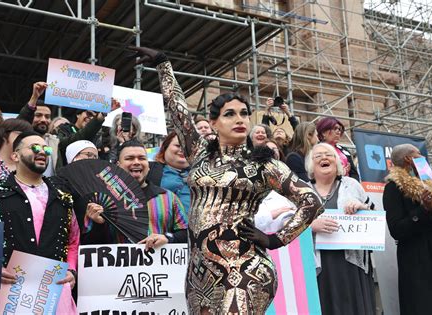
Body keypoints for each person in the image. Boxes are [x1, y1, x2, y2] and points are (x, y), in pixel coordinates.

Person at [132, 46, 322, 314]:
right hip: (199, 276)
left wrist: (275, 239)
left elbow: (311, 201)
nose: (240, 119)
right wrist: (164, 65)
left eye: (244, 113)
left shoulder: (264, 163)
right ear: (214, 122)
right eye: (230, 114)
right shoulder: (198, 153)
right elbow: (177, 111)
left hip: (246, 271)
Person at [0, 131, 79, 313]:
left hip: (53, 294)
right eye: (34, 147)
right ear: (15, 155)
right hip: (6, 294)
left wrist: (71, 270)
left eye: (46, 148)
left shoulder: (63, 198)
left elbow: (73, 240)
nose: (42, 151)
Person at [383, 144, 432, 315]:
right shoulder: (393, 188)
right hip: (418, 260)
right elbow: (397, 229)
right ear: (409, 158)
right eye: (419, 154)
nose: (424, 158)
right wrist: (424, 209)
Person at [305, 142, 376, 315]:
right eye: (318, 155)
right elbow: (288, 226)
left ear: (337, 162)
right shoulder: (302, 190)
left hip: (350, 265)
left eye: (329, 154)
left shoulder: (351, 185)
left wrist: (361, 206)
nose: (324, 157)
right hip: (318, 266)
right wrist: (309, 226)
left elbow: (374, 215)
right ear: (311, 166)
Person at [83, 139, 188, 246]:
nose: (136, 162)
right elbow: (88, 244)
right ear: (118, 165)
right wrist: (98, 225)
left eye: (142, 158)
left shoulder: (169, 198)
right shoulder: (101, 200)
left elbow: (186, 233)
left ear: (148, 165)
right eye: (129, 158)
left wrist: (168, 238)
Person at [0, 119, 33, 185]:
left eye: (28, 136)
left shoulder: (30, 169)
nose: (25, 139)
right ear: (4, 134)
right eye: (21, 134)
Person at [148, 131, 191, 212]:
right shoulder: (149, 169)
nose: (182, 149)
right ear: (165, 148)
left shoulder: (202, 173)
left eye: (187, 147)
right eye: (178, 145)